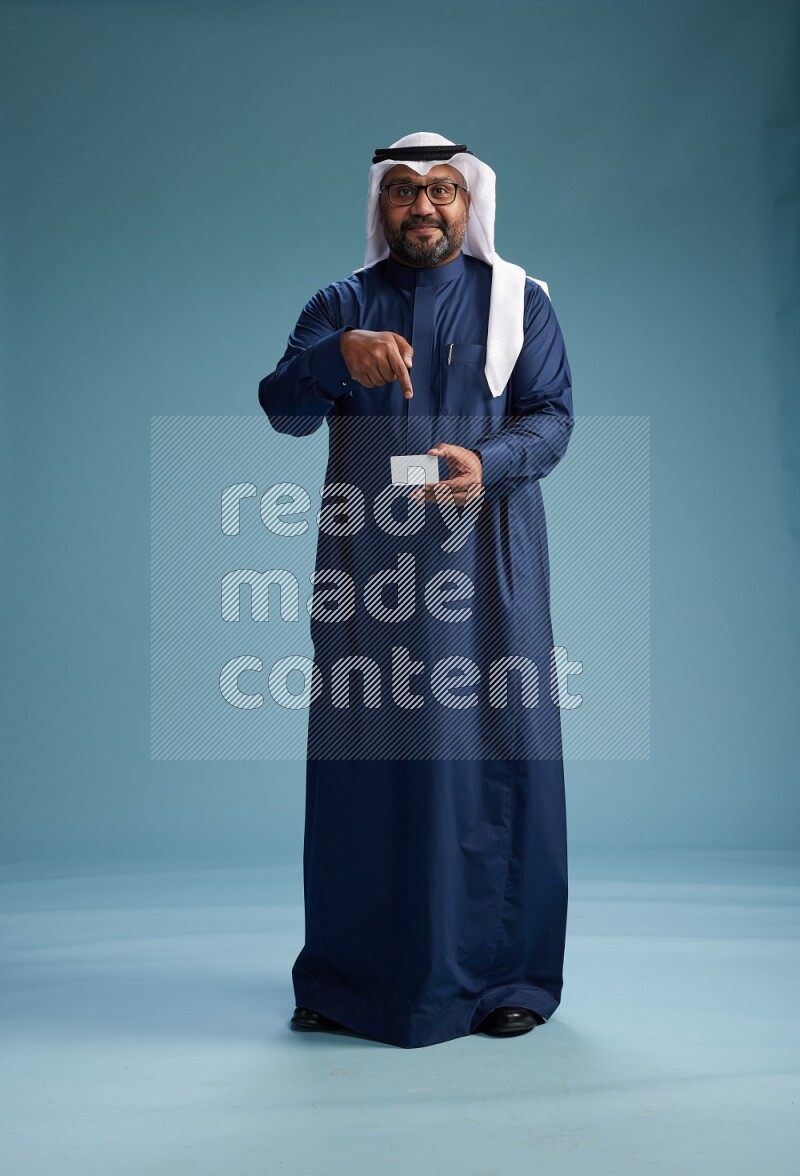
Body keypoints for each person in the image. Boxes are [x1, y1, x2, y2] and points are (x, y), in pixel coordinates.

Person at [257, 131, 574, 1049]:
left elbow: (552, 419)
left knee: (492, 755)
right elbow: (282, 409)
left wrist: (492, 458)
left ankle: (506, 975)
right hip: (371, 568)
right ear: (380, 206)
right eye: (403, 191)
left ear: (469, 205)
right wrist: (332, 361)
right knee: (365, 757)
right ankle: (350, 978)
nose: (423, 207)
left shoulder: (521, 302)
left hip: (488, 562)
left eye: (441, 190)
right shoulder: (340, 304)